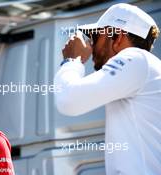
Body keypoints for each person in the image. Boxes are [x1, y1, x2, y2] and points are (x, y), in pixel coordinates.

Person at [54, 3, 161, 175]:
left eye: (95, 37)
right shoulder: (144, 67)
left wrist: (72, 61)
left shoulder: (135, 58)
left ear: (117, 37)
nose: (91, 45)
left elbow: (68, 100)